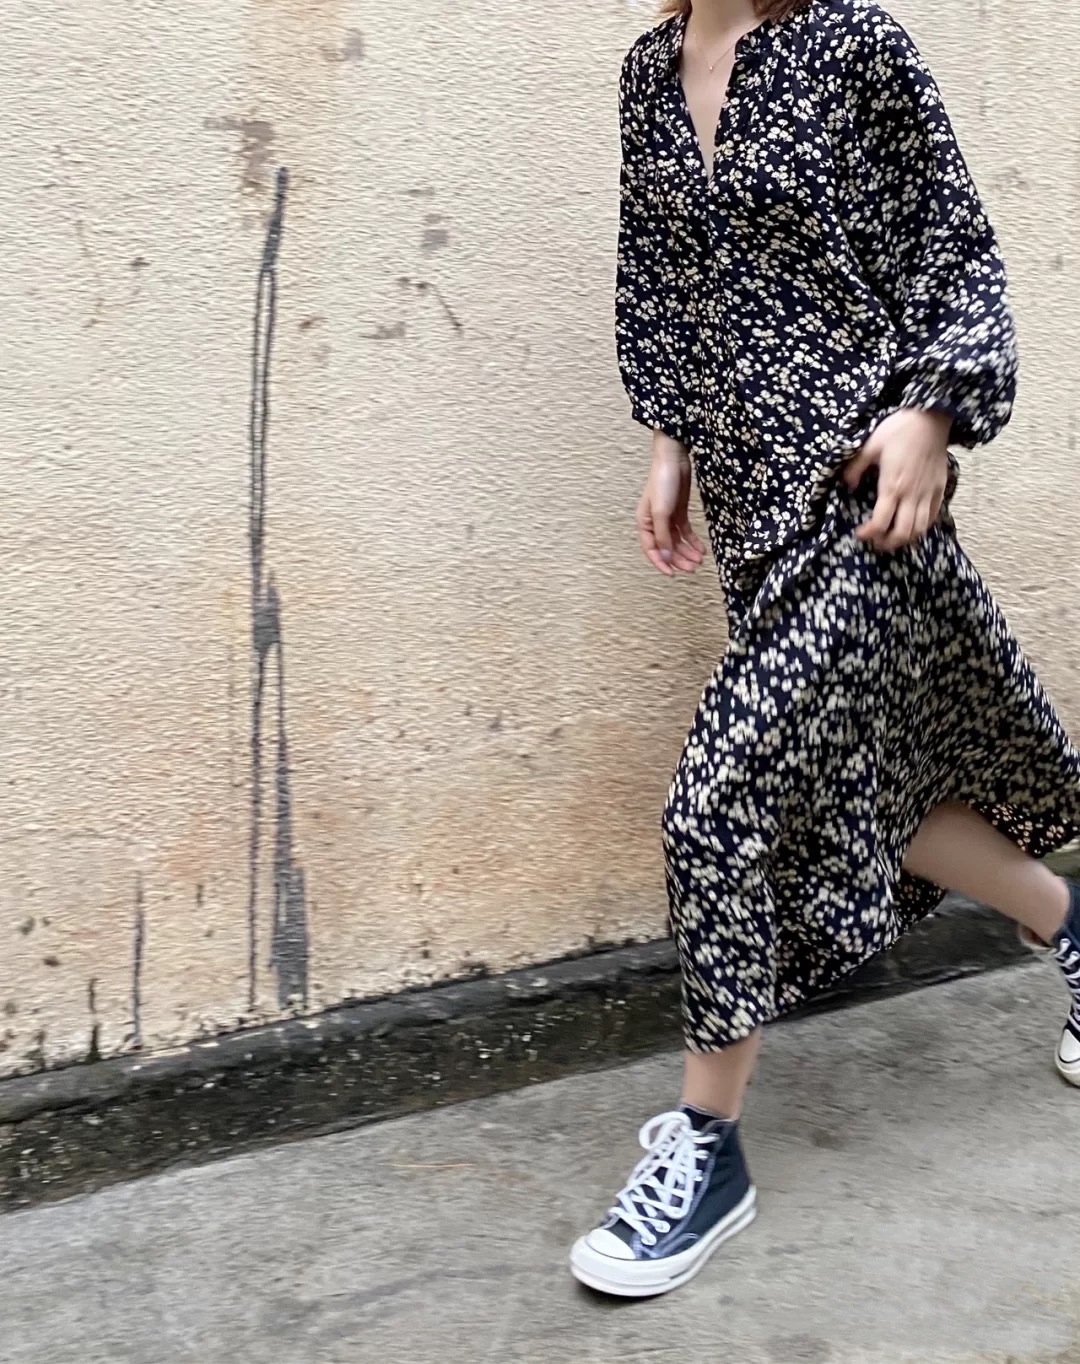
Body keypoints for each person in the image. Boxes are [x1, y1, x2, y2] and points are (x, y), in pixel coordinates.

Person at [569, 0, 1080, 1299]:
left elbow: (953, 248)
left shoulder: (855, 45)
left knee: (717, 805)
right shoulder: (648, 75)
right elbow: (663, 281)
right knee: (870, 792)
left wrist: (933, 413)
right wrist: (672, 447)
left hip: (860, 500)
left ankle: (709, 1147)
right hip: (751, 511)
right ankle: (1075, 926)